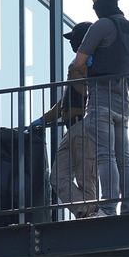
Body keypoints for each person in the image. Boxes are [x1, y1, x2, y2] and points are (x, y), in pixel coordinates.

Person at [68, 0, 129, 216]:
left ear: (98, 2)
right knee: (124, 158)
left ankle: (109, 208)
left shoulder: (102, 25)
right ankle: (128, 209)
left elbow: (78, 62)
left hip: (100, 98)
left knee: (105, 155)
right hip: (123, 100)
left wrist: (81, 71)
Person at [41, 22, 93, 214]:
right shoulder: (79, 63)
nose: (71, 42)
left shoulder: (93, 61)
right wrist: (42, 120)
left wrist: (76, 73)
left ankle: (90, 216)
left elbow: (89, 90)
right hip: (71, 128)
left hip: (85, 125)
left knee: (86, 179)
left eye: (74, 38)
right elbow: (64, 102)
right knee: (57, 177)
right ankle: (87, 211)